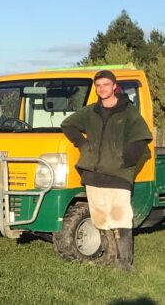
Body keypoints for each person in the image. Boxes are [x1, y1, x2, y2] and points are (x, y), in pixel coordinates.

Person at [61, 70, 153, 271]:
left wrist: (125, 159)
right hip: (93, 175)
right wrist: (83, 145)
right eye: (99, 85)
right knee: (100, 216)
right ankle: (109, 256)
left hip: (118, 175)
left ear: (114, 86)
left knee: (121, 217)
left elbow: (142, 138)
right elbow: (67, 125)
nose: (102, 88)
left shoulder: (128, 111)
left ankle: (124, 262)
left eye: (105, 85)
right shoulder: (90, 111)